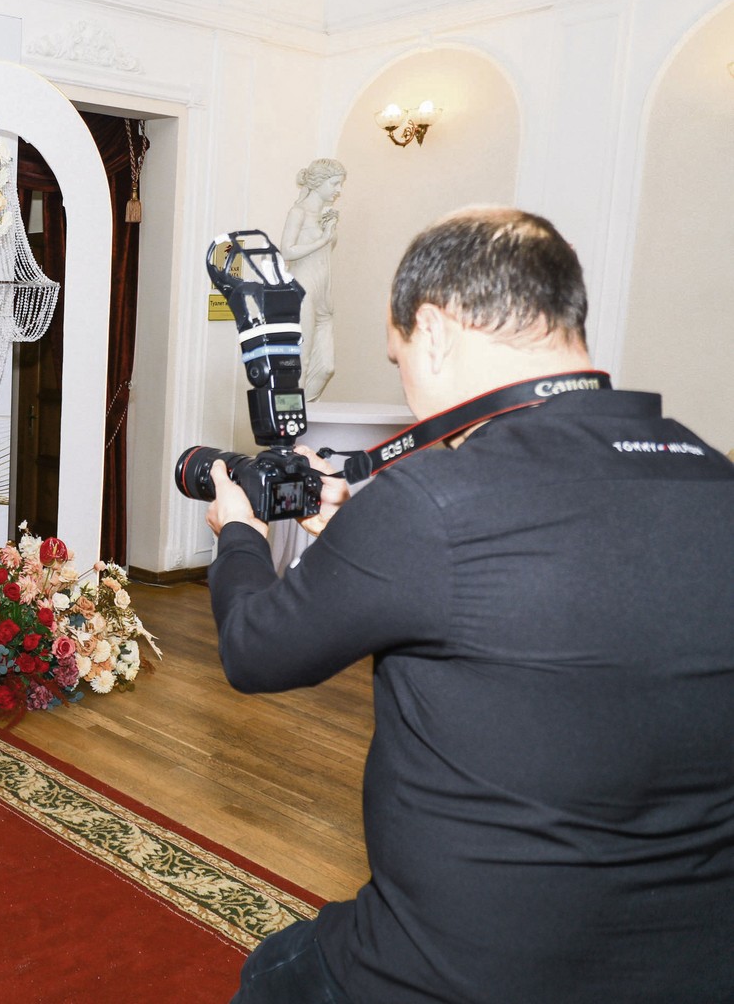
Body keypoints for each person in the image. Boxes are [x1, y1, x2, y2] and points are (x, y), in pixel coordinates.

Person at [206, 208, 734, 1004]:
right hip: (693, 963)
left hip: (457, 970)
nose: (409, 392)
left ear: (435, 332)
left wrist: (241, 535)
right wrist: (360, 537)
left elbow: (254, 649)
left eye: (399, 362)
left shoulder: (433, 502)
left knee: (270, 973)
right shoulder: (712, 476)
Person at [279, 158, 346, 402]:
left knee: (326, 366)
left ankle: (303, 411)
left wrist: (329, 231)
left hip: (323, 293)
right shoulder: (298, 212)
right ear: (318, 182)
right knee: (301, 359)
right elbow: (287, 251)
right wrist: (323, 239)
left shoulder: (324, 216)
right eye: (335, 183)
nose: (339, 190)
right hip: (303, 289)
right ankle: (293, 416)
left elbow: (325, 254)